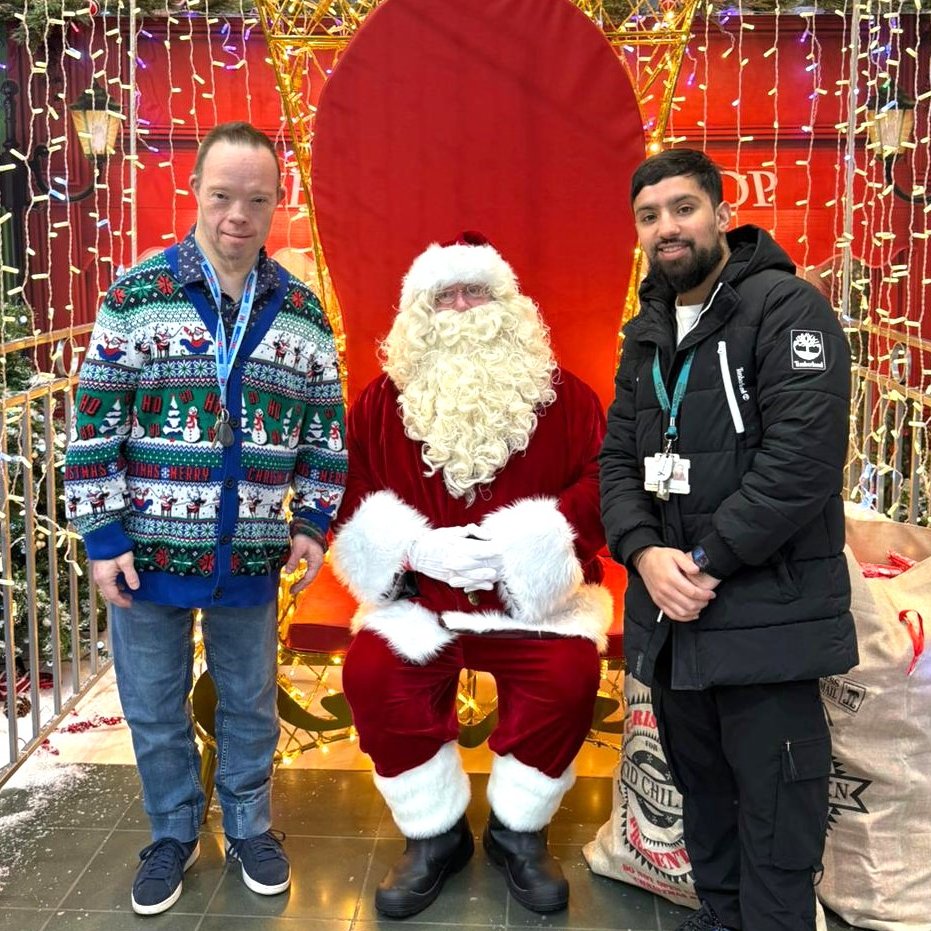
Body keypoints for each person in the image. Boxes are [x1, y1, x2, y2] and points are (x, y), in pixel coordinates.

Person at [64, 121, 346, 916]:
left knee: (250, 701)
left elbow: (324, 430)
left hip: (250, 551)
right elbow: (94, 424)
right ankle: (174, 829)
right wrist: (102, 535)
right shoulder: (136, 296)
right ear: (194, 191)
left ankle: (250, 824)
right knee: (153, 705)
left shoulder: (301, 312)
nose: (237, 216)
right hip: (144, 553)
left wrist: (312, 519)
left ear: (278, 201)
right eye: (222, 196)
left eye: (256, 199)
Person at [600, 148, 857, 931]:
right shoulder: (646, 332)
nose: (666, 228)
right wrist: (643, 553)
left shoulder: (786, 309)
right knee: (702, 798)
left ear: (720, 211)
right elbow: (616, 462)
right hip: (674, 626)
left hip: (764, 620)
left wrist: (703, 563)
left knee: (777, 818)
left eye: (682, 208)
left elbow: (800, 464)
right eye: (648, 216)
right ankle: (717, 917)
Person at [329, 233, 613, 918]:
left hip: (533, 606)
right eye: (444, 296)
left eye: (475, 292)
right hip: (422, 602)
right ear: (417, 312)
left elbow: (603, 482)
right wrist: (413, 548)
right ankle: (434, 835)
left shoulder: (567, 400)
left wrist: (529, 545)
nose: (460, 308)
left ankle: (519, 832)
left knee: (568, 677)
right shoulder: (379, 404)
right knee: (373, 674)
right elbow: (351, 488)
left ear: (507, 304)